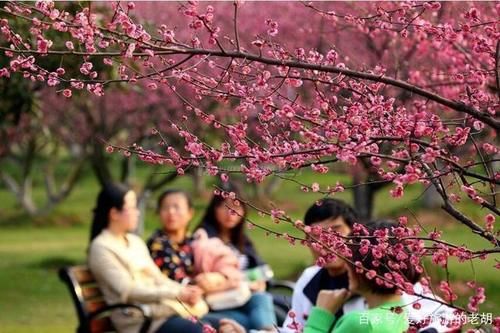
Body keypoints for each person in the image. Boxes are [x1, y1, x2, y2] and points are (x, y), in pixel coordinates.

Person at [281, 200, 458, 333]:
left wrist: (320, 316)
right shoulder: (309, 279)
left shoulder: (391, 278)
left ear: (356, 234)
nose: (327, 243)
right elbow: (292, 327)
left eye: (335, 232)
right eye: (316, 237)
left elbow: (448, 316)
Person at [87, 183, 216, 333]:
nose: (138, 213)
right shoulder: (101, 248)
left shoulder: (135, 241)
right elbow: (128, 290)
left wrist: (185, 291)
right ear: (114, 213)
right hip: (139, 321)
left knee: (224, 324)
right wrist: (176, 294)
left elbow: (158, 278)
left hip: (159, 312)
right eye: (133, 207)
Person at [148, 189, 277, 332]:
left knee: (262, 299)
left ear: (190, 213)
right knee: (247, 319)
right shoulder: (162, 244)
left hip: (225, 296)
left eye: (176, 207)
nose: (171, 212)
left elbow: (262, 270)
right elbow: (184, 283)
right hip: (196, 304)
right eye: (166, 207)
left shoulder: (196, 241)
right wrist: (228, 280)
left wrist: (242, 279)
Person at [303, 219, 414, 332]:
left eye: (350, 261)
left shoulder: (360, 323)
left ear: (364, 266)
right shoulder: (401, 310)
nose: (347, 267)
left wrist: (321, 315)